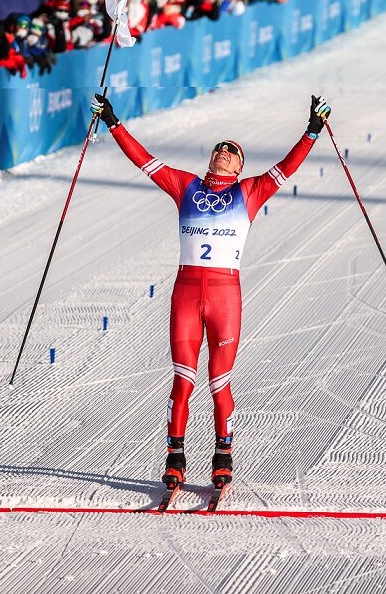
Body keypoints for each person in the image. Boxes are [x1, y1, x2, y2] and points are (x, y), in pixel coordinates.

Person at [90, 92, 332, 490]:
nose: (224, 151)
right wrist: (113, 122)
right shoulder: (184, 185)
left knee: (219, 381)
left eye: (232, 151)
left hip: (224, 296)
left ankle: (223, 458)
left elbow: (286, 168)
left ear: (239, 166)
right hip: (186, 294)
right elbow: (143, 160)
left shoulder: (249, 192)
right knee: (182, 379)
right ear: (210, 159)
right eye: (219, 148)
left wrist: (311, 132)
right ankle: (175, 459)